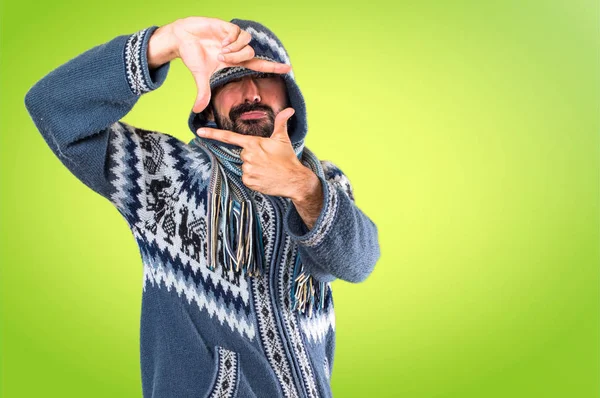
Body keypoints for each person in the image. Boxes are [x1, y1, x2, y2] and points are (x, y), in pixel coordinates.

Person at [25, 16, 381, 398]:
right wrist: (161, 45)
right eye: (229, 80)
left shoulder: (323, 182)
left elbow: (358, 262)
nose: (250, 93)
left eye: (264, 77)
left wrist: (301, 186)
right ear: (207, 104)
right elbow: (52, 106)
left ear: (289, 93)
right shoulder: (163, 173)